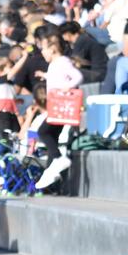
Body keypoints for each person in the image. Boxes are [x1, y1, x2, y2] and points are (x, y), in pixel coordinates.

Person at [35, 28, 85, 189]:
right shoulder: (55, 64)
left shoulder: (62, 61)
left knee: (43, 132)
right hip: (55, 105)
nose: (42, 53)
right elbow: (56, 78)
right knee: (52, 139)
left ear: (52, 49)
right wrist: (45, 76)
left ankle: (58, 159)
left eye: (43, 49)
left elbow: (78, 76)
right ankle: (51, 176)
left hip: (60, 106)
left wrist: (67, 87)